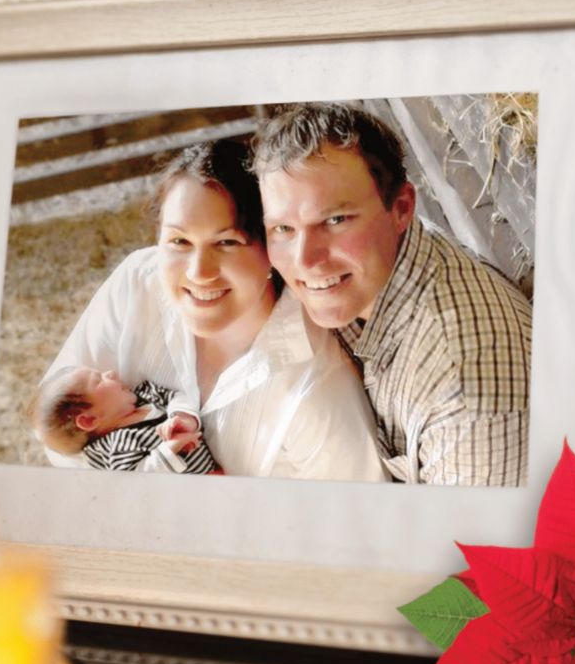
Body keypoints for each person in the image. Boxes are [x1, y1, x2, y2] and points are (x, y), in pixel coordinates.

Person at [38, 139, 387, 482]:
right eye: (179, 241)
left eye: (226, 242)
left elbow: (352, 514)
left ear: (270, 246)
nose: (198, 272)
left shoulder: (315, 390)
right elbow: (58, 438)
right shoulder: (137, 282)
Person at [251, 102, 532, 486]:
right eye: (283, 229)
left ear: (401, 209)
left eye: (334, 220)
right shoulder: (370, 271)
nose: (304, 260)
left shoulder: (469, 400)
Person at [27, 366, 218, 474]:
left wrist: (183, 416)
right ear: (89, 420)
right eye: (99, 380)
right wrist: (168, 451)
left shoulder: (145, 394)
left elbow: (176, 397)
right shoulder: (115, 448)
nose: (110, 373)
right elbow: (136, 483)